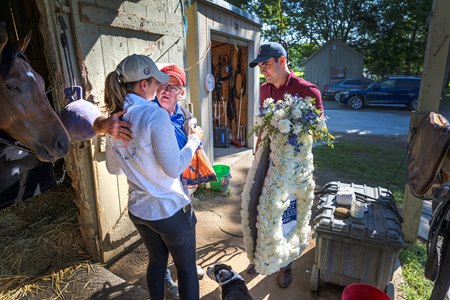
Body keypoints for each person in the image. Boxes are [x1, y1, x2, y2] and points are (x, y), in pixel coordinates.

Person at [103, 54, 203, 300]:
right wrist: (194, 140)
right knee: (187, 270)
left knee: (157, 262)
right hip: (168, 208)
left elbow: (114, 168)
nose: (160, 87)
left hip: (139, 210)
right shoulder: (153, 115)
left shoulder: (115, 119)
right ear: (143, 85)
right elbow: (173, 168)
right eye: (157, 82)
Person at [247, 42, 324, 289]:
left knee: (287, 213)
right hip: (268, 160)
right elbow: (262, 125)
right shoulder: (263, 90)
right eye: (260, 66)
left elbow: (320, 132)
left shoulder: (308, 91)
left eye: (266, 64)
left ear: (282, 60)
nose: (263, 70)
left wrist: (297, 125)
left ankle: (284, 262)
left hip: (293, 167)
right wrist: (258, 153)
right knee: (260, 206)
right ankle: (261, 254)